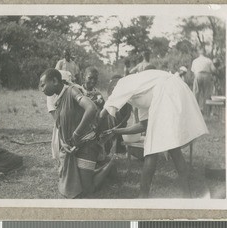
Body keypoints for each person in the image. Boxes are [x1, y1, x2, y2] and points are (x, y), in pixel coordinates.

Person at [100, 69, 209, 198]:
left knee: (152, 149)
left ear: (113, 88)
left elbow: (106, 109)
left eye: (112, 93)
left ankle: (143, 196)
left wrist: (98, 125)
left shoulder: (121, 83)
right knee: (173, 147)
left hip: (168, 91)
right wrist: (116, 131)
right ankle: (187, 194)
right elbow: (144, 124)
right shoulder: (139, 91)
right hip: (175, 89)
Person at [39, 68, 115, 198]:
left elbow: (91, 108)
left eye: (43, 84)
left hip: (87, 144)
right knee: (72, 186)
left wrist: (76, 135)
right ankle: (92, 170)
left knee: (86, 189)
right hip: (73, 148)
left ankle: (111, 165)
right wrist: (64, 143)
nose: (42, 88)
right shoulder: (58, 99)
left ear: (55, 81)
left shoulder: (72, 90)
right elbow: (60, 127)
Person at [191, 47, 216, 114]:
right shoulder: (208, 60)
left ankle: (196, 110)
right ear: (205, 53)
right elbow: (213, 70)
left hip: (198, 75)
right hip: (206, 75)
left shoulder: (195, 61)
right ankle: (206, 110)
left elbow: (193, 71)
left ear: (199, 52)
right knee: (206, 93)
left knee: (196, 92)